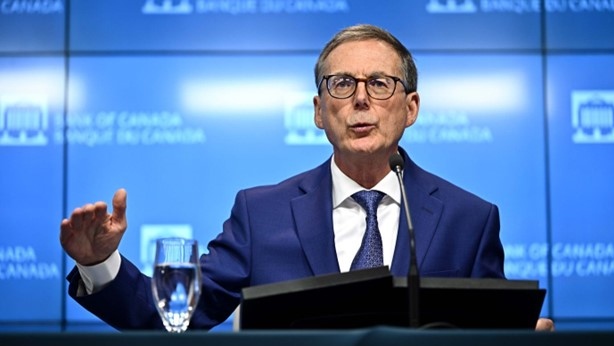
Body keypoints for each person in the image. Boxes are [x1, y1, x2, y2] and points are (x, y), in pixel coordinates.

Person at [60, 24, 553, 331]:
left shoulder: (470, 217)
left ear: (411, 108)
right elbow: (175, 319)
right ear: (319, 111)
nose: (361, 99)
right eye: (342, 84)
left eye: (381, 84)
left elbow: (490, 331)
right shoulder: (261, 212)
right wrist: (101, 263)